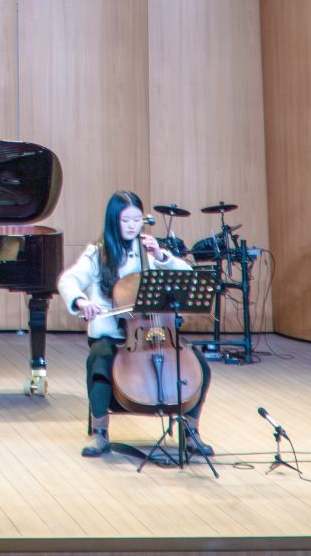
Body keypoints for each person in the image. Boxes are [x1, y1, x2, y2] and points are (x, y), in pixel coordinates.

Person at [57, 190, 213, 459]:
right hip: (113, 335)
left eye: (137, 220)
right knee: (99, 360)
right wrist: (82, 302)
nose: (132, 226)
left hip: (155, 334)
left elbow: (188, 277)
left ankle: (191, 431)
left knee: (200, 365)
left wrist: (162, 256)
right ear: (113, 221)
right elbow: (68, 280)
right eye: (125, 220)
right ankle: (100, 433)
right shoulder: (98, 254)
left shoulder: (150, 252)